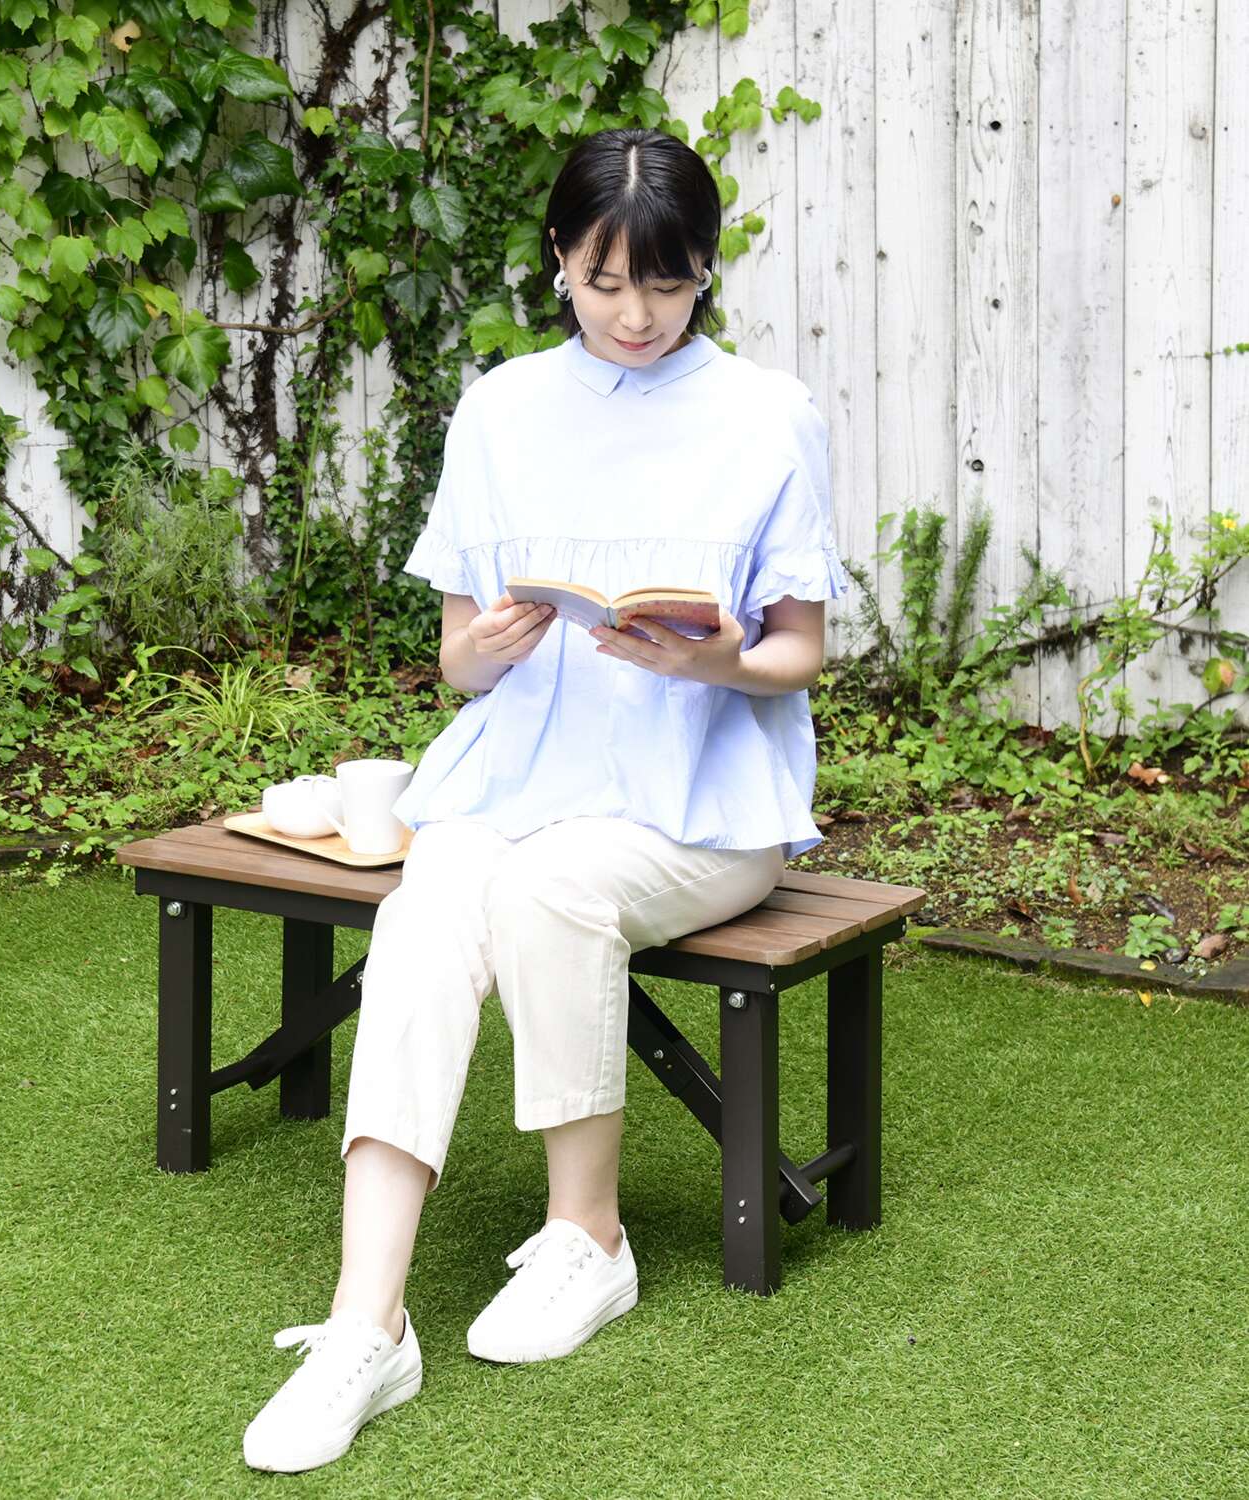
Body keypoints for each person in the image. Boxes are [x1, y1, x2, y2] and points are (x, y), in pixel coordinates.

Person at [241, 126, 851, 1474]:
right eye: (604, 281)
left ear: (706, 271)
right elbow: (457, 665)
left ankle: (590, 1237)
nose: (635, 315)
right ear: (560, 262)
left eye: (667, 284)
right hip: (520, 776)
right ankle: (365, 1326)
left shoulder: (771, 416)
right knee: (426, 909)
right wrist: (489, 647)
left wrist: (716, 660)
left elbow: (802, 650)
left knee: (549, 887)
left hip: (700, 809)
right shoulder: (502, 410)